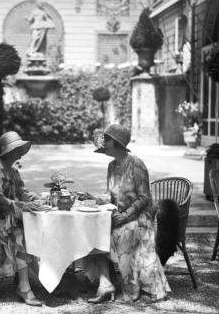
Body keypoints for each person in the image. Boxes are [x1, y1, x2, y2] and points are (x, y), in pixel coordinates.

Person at [85, 124, 171, 303]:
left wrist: (125, 216)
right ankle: (106, 282)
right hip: (120, 213)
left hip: (140, 216)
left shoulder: (136, 165)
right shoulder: (111, 166)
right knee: (95, 232)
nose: (103, 144)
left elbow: (144, 198)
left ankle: (132, 287)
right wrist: (95, 198)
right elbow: (111, 195)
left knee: (121, 233)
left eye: (106, 140)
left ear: (116, 143)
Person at [0, 131, 44, 306]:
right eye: (17, 148)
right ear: (8, 151)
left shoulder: (13, 171)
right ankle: (24, 286)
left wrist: (34, 199)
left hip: (2, 217)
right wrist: (22, 206)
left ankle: (32, 278)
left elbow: (22, 192)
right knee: (19, 232)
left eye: (21, 148)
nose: (20, 151)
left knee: (31, 228)